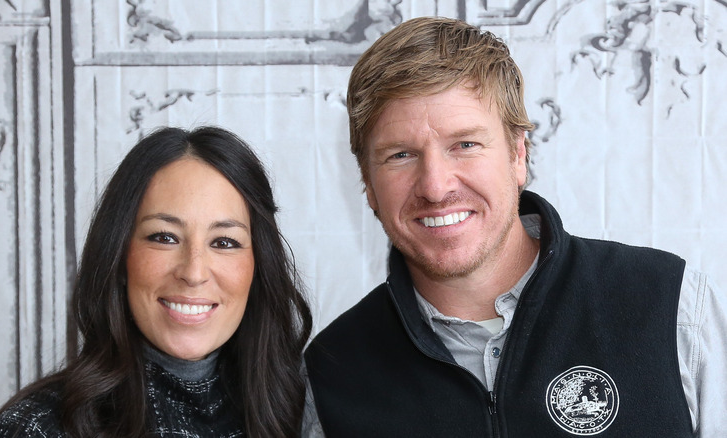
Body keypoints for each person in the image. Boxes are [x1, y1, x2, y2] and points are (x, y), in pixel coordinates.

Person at [303, 16, 726, 437]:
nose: (435, 187)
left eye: (465, 144)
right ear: (367, 184)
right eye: (400, 155)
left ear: (518, 155)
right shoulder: (331, 373)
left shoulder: (672, 306)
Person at [0, 126, 312, 437]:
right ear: (120, 256)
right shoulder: (37, 427)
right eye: (164, 237)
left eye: (224, 242)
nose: (194, 272)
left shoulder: (304, 411)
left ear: (259, 266)